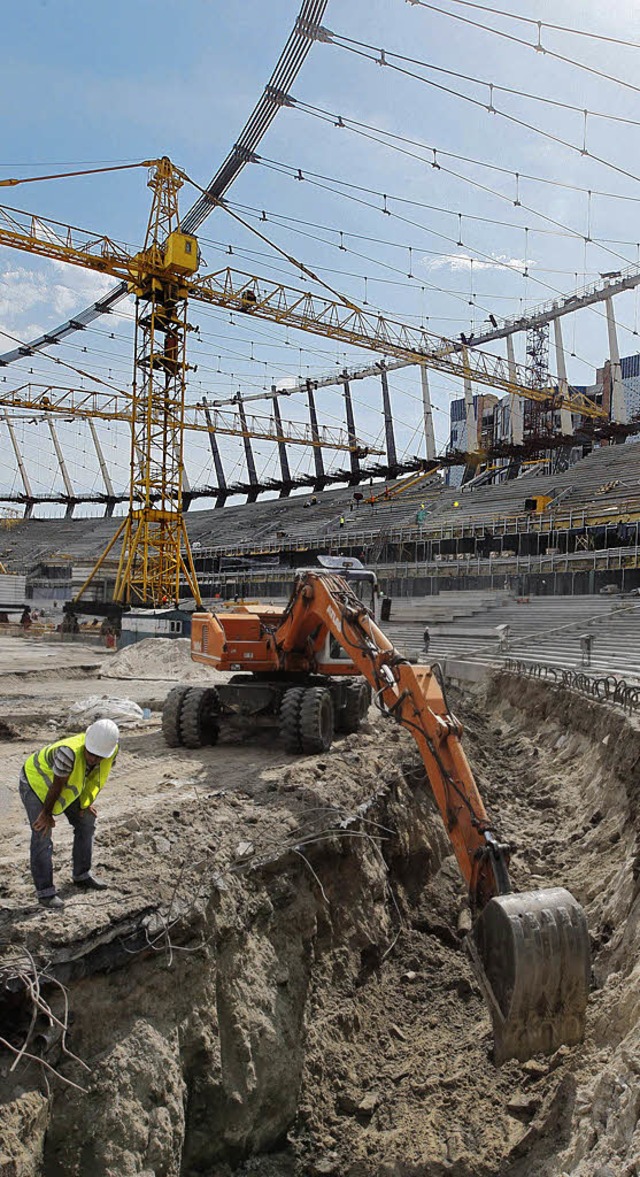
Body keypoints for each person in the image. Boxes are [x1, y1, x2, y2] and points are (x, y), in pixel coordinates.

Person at [19, 719, 120, 909]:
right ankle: (45, 893)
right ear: (87, 743)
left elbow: (92, 776)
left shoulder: (111, 750)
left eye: (99, 757)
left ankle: (82, 875)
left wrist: (85, 803)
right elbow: (58, 785)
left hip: (61, 786)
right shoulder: (68, 752)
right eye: (91, 754)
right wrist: (46, 814)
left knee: (87, 821)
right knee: (42, 832)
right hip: (36, 783)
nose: (93, 759)